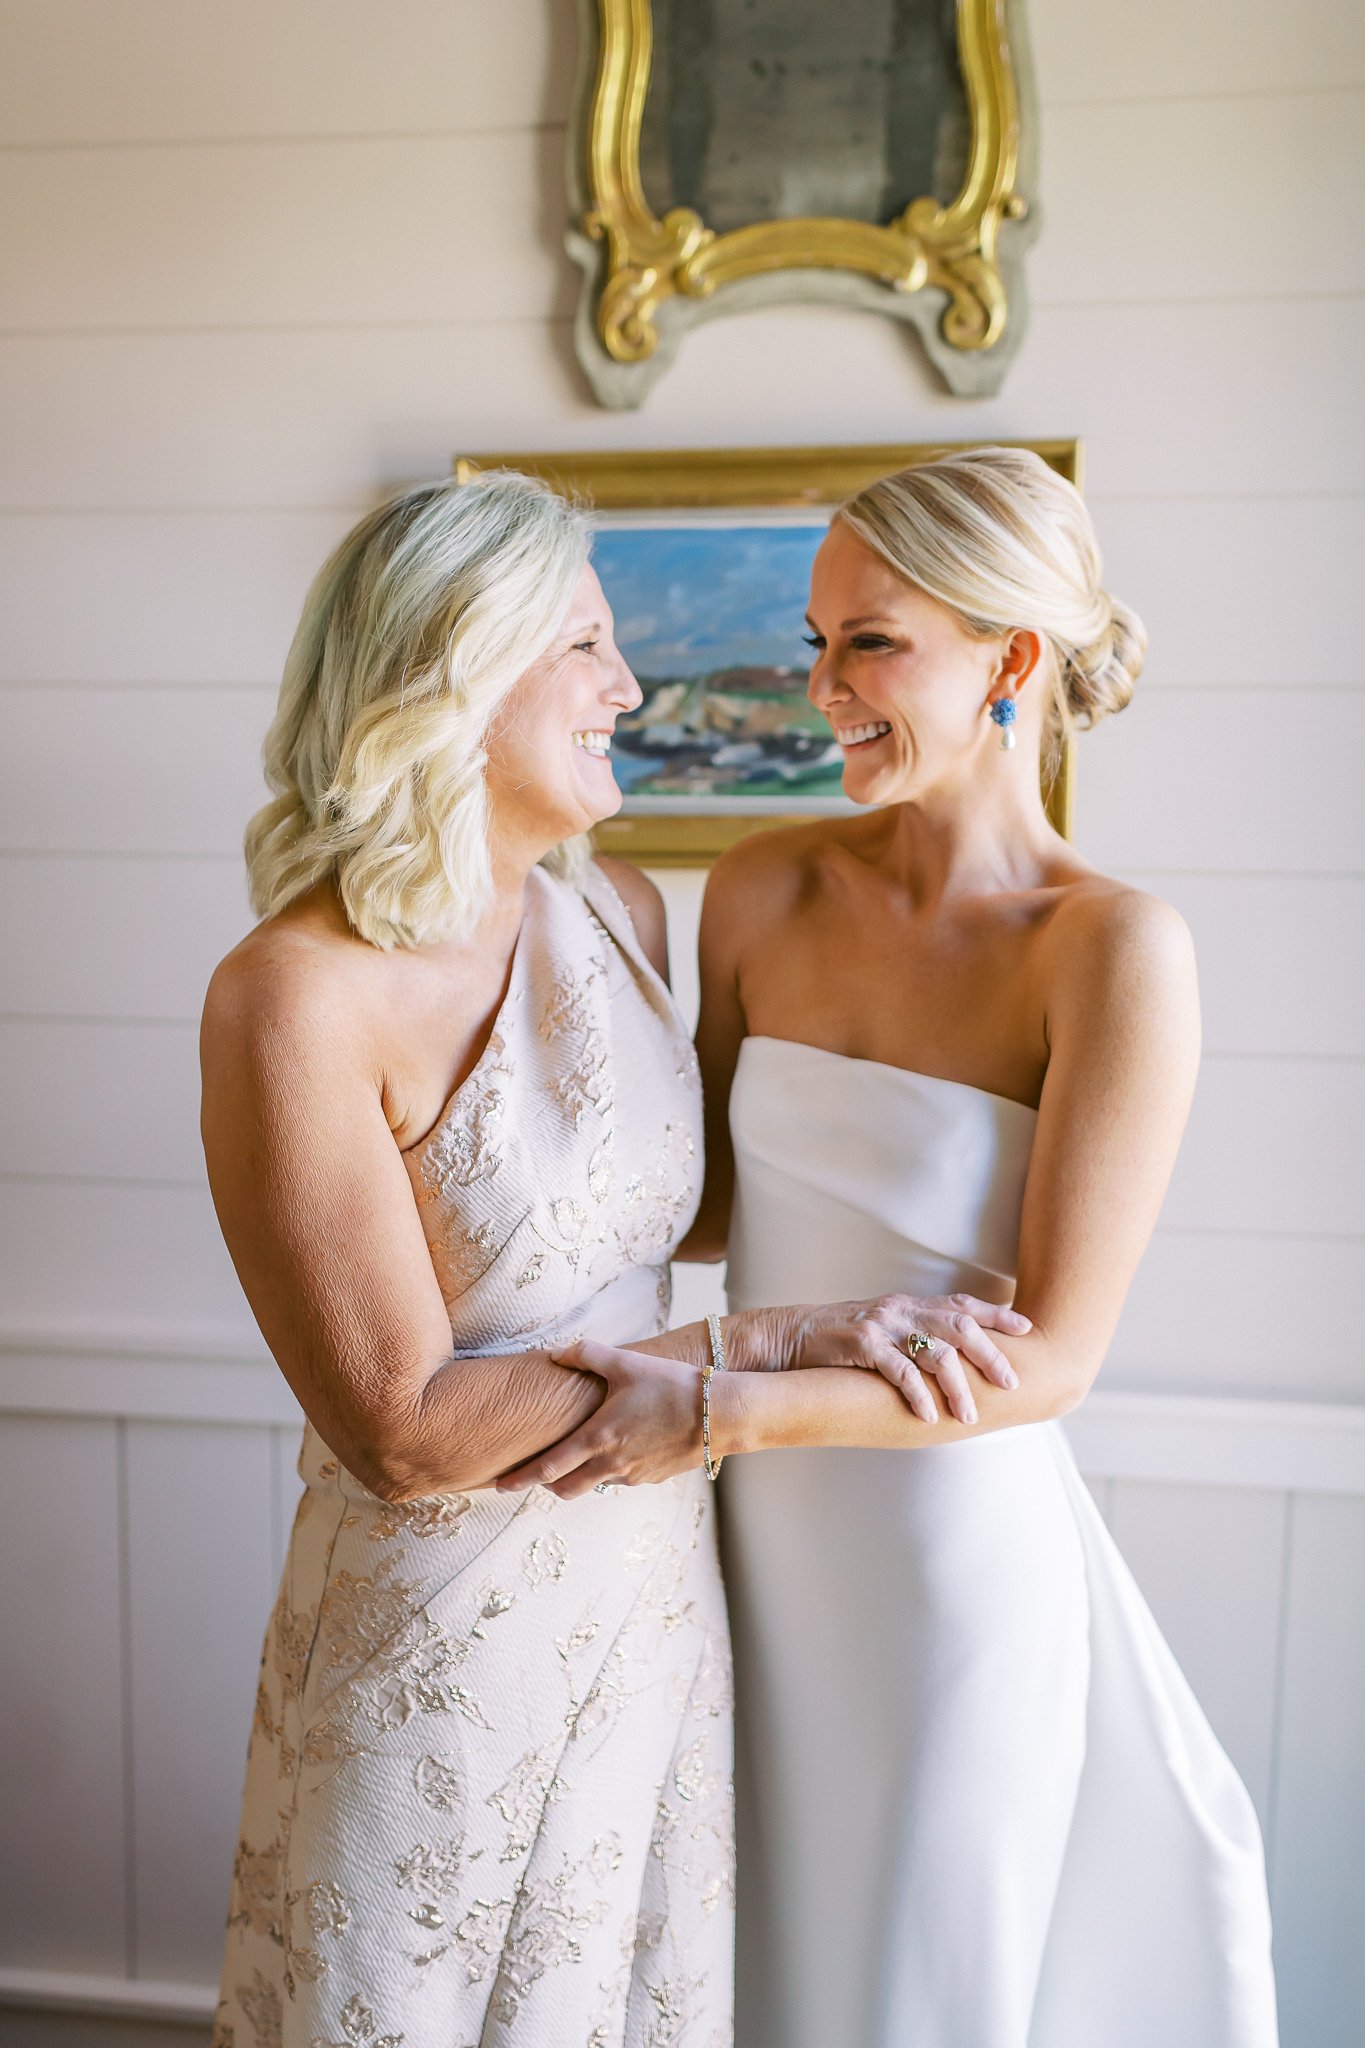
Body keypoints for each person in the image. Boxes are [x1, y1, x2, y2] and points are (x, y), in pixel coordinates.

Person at [202, 469, 1023, 2048]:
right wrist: (761, 1349)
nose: (627, 691)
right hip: (439, 1628)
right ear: (454, 669)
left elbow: (689, 1202)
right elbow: (405, 1430)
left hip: (652, 1595)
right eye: (585, 645)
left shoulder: (630, 915)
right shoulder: (294, 995)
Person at [513, 448, 1278, 2047]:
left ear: (1010, 660)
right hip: (732, 1546)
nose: (818, 690)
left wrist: (715, 1407)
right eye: (816, 640)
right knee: (748, 1969)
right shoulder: (759, 887)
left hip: (941, 1552)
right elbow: (694, 1204)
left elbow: (1052, 1362)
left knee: (908, 1983)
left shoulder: (1111, 949)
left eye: (870, 642)